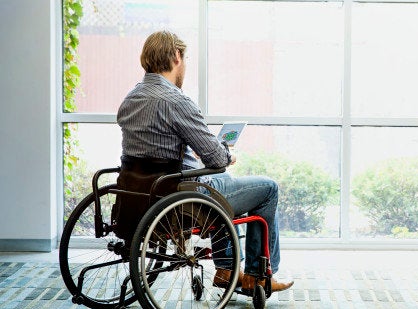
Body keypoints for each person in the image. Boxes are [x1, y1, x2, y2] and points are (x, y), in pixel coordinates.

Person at [117, 30, 293, 292]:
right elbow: (216, 158)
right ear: (177, 56)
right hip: (180, 196)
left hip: (139, 193)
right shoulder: (175, 101)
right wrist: (228, 154)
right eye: (184, 58)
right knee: (267, 189)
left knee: (222, 181)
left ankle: (226, 269)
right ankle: (257, 275)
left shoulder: (131, 97)